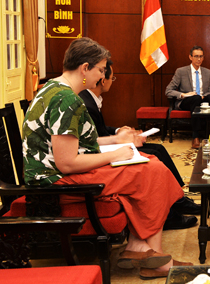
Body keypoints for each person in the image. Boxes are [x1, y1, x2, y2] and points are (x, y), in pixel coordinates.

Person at [22, 37, 191, 280]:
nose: (101, 77)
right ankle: (145, 252)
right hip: (55, 183)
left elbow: (73, 143)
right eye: (100, 70)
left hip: (53, 174)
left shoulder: (51, 88)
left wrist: (115, 141)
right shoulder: (67, 100)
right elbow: (66, 163)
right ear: (84, 68)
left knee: (149, 164)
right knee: (153, 171)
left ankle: (140, 248)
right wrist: (116, 154)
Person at [79, 60, 202, 230]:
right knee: (154, 154)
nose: (109, 80)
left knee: (158, 148)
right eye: (111, 77)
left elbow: (98, 131)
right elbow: (93, 139)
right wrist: (120, 139)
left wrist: (118, 131)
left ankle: (178, 199)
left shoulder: (91, 99)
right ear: (102, 79)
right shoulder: (85, 102)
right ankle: (170, 213)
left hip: (107, 145)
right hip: (104, 152)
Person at [165, 46, 210, 149]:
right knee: (195, 98)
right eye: (196, 56)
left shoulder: (207, 72)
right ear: (190, 57)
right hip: (187, 101)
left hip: (202, 99)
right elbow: (168, 91)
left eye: (201, 56)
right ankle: (195, 136)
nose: (199, 59)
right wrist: (184, 94)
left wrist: (203, 96)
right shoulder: (181, 71)